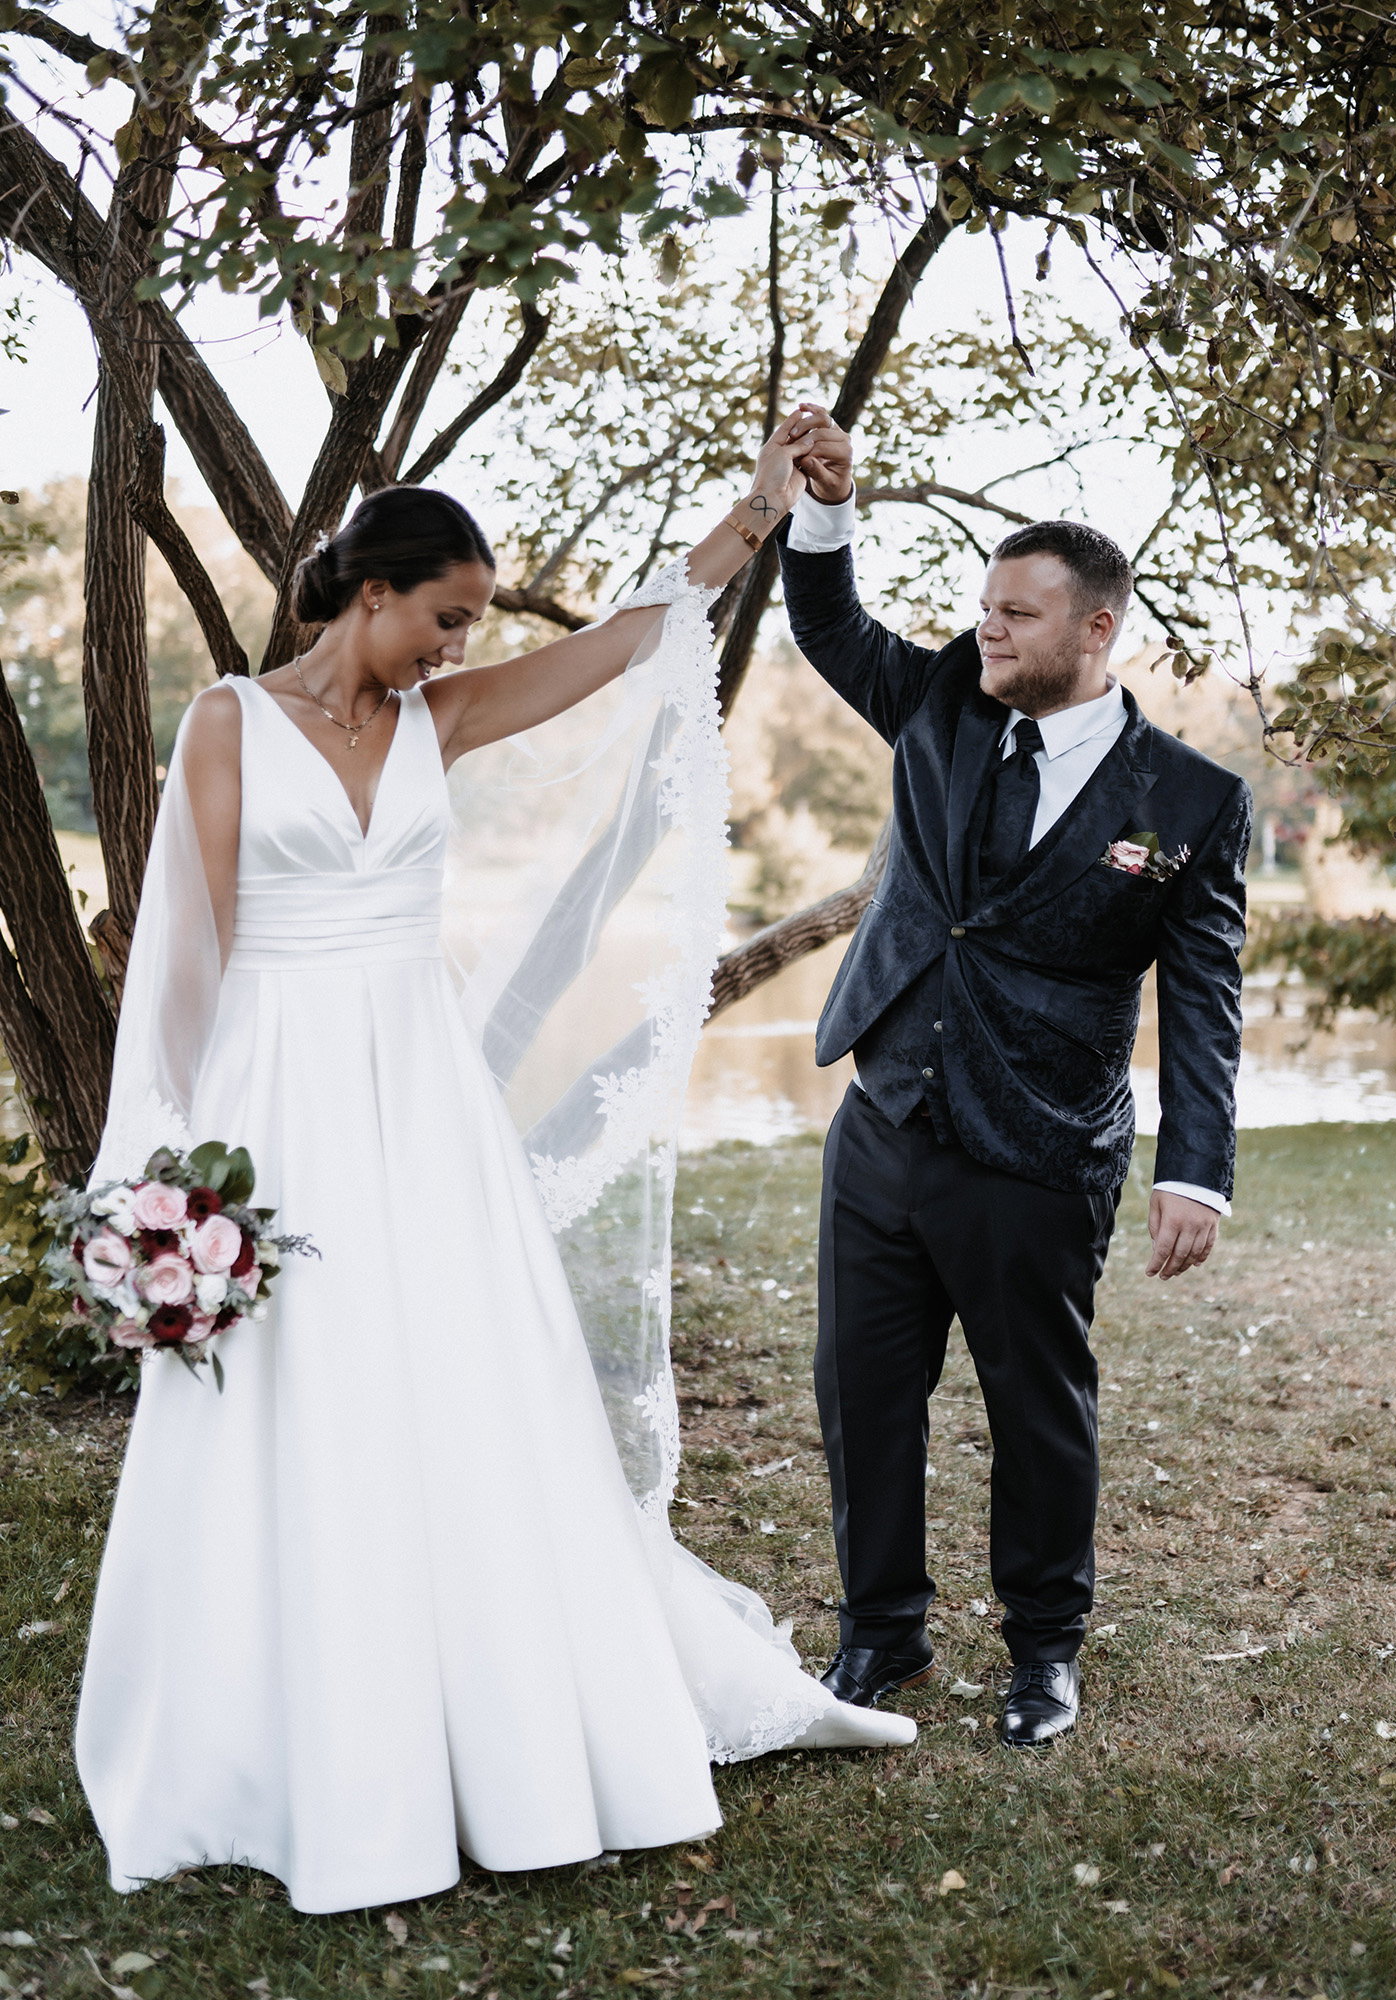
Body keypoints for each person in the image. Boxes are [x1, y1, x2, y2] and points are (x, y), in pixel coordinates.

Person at [76, 418, 915, 1921]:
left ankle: (512, 1716)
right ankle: (294, 1737)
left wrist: (757, 514)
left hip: (420, 1099)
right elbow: (188, 951)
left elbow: (619, 647)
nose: (457, 642)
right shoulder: (226, 723)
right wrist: (165, 1177)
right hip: (277, 1098)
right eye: (446, 614)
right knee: (302, 1391)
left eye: (467, 624)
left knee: (459, 1383)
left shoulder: (438, 721)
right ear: (373, 592)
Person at [778, 404, 1252, 1749]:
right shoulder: (939, 700)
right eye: (985, 608)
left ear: (1097, 629)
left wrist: (1196, 1169)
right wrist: (827, 507)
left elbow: (1205, 998)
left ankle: (1044, 1651)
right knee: (862, 1389)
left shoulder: (1190, 804)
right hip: (884, 1121)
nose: (991, 631)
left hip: (1040, 1144)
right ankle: (881, 1634)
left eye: (1021, 615)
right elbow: (827, 629)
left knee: (1037, 1407)